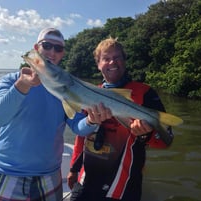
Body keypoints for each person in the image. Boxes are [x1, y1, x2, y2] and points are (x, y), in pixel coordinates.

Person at [0, 28, 112, 201]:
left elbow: (78, 127)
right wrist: (22, 85)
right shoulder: (11, 80)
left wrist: (91, 120)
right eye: (47, 45)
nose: (52, 52)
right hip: (9, 172)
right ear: (37, 48)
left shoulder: (65, 86)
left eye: (58, 48)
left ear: (62, 54)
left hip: (49, 175)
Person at [67, 37, 174, 201]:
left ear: (124, 61)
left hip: (123, 188)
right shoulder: (88, 93)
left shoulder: (144, 93)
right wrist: (73, 168)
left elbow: (165, 140)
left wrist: (145, 134)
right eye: (106, 58)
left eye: (117, 57)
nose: (112, 62)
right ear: (98, 64)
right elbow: (81, 136)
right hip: (85, 181)